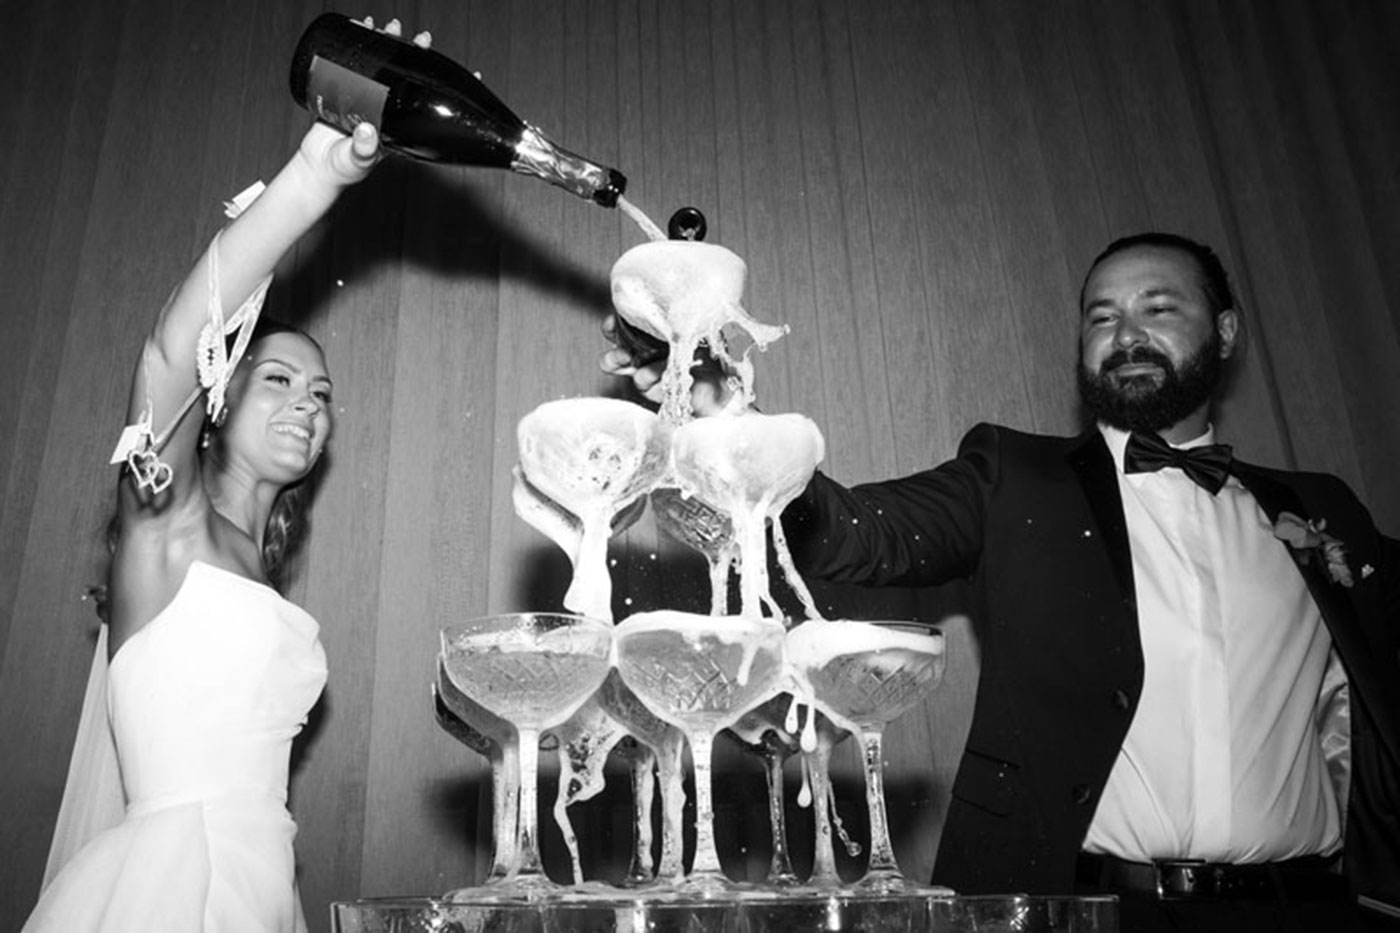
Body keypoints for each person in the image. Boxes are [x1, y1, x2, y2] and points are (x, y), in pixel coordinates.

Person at [602, 232, 1400, 931]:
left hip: (1314, 908)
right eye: (1100, 316)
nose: (1124, 335)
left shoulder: (1322, 508)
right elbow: (855, 535)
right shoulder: (1015, 478)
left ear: (1225, 331)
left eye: (1157, 308)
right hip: (1084, 909)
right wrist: (722, 414)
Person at [23, 21, 428, 932]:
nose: (307, 405)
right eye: (278, 380)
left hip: (260, 888)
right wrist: (312, 180)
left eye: (321, 394)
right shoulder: (163, 520)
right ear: (219, 405)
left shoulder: (252, 565)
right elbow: (170, 351)